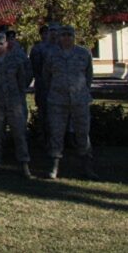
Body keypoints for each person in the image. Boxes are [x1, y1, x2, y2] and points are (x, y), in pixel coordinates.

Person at [44, 25, 97, 180]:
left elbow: (89, 76)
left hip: (79, 100)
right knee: (56, 133)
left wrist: (82, 91)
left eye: (69, 35)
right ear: (59, 37)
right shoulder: (51, 54)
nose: (67, 38)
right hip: (57, 100)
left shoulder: (83, 53)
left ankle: (86, 167)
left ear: (74, 37)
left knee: (83, 133)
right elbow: (46, 76)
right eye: (64, 35)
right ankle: (54, 167)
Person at [0, 32, 32, 178]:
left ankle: (24, 164)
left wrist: (18, 95)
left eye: (1, 43)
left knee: (19, 134)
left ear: (6, 44)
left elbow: (22, 80)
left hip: (14, 103)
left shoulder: (15, 61)